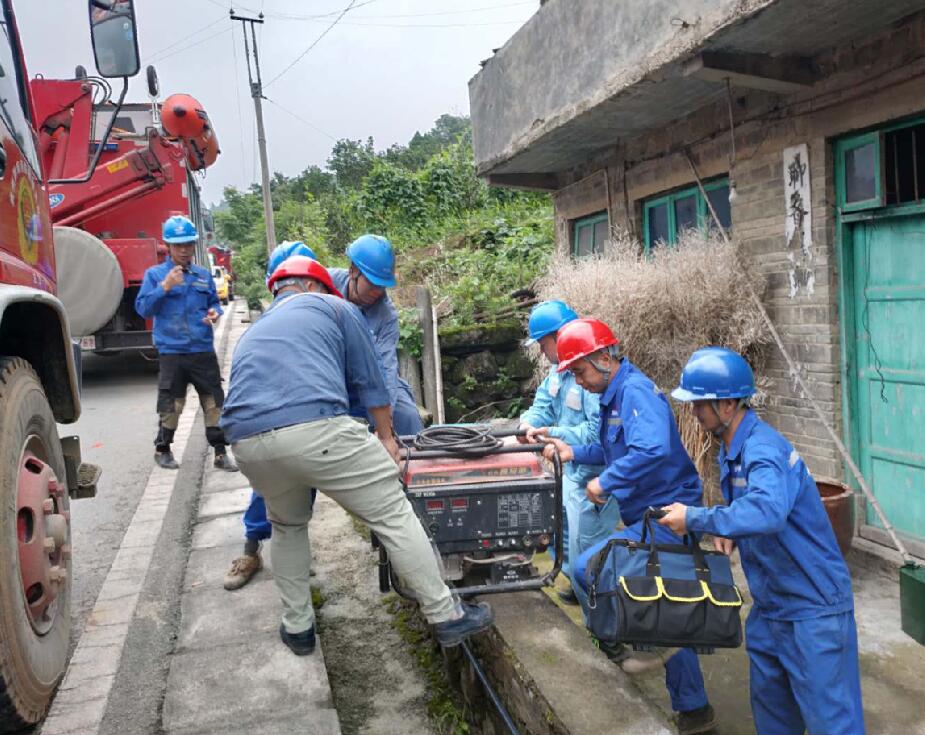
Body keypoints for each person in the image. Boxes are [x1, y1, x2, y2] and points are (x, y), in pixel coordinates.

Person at [220, 255, 493, 655]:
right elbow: (372, 383)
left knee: (288, 526)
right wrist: (387, 439)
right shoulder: (335, 307)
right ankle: (446, 615)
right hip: (315, 427)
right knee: (392, 514)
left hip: (246, 443)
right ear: (314, 286)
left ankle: (298, 628)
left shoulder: (254, 332)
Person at [661, 347, 864, 735]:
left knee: (831, 722)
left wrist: (698, 519)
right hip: (771, 605)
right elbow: (754, 509)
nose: (693, 413)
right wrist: (729, 529)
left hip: (812, 608)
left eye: (699, 404)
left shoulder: (763, 450)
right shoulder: (732, 449)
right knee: (774, 718)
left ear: (729, 404)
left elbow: (769, 511)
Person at [540, 319, 715, 735]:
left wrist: (606, 482)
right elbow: (611, 447)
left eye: (581, 372)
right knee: (661, 603)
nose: (580, 383)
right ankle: (690, 705)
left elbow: (651, 449)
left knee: (592, 572)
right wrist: (573, 452)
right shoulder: (613, 395)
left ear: (605, 358)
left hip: (670, 514)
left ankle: (629, 654)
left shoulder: (634, 392)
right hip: (648, 514)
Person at [517, 301, 618, 604]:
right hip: (568, 472)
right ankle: (579, 586)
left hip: (592, 477)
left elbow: (595, 435)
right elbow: (542, 407)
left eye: (542, 343)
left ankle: (602, 609)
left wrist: (552, 433)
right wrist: (527, 424)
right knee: (559, 534)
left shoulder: (590, 377)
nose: (540, 351)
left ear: (559, 337)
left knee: (589, 546)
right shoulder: (555, 375)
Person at [135, 215, 237, 472]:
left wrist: (215, 313)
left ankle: (220, 452)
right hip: (172, 351)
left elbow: (213, 302)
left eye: (188, 244)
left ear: (194, 245)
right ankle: (163, 449)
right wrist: (165, 287)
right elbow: (143, 308)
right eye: (177, 245)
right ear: (168, 246)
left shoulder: (203, 276)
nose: (183, 250)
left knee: (214, 402)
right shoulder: (155, 275)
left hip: (202, 350)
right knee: (172, 404)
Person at [329, 234, 423, 437]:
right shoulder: (324, 287)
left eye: (382, 286)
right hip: (331, 376)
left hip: (373, 379)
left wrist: (385, 425)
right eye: (372, 284)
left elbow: (387, 371)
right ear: (353, 271)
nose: (377, 292)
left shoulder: (386, 317)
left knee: (406, 416)